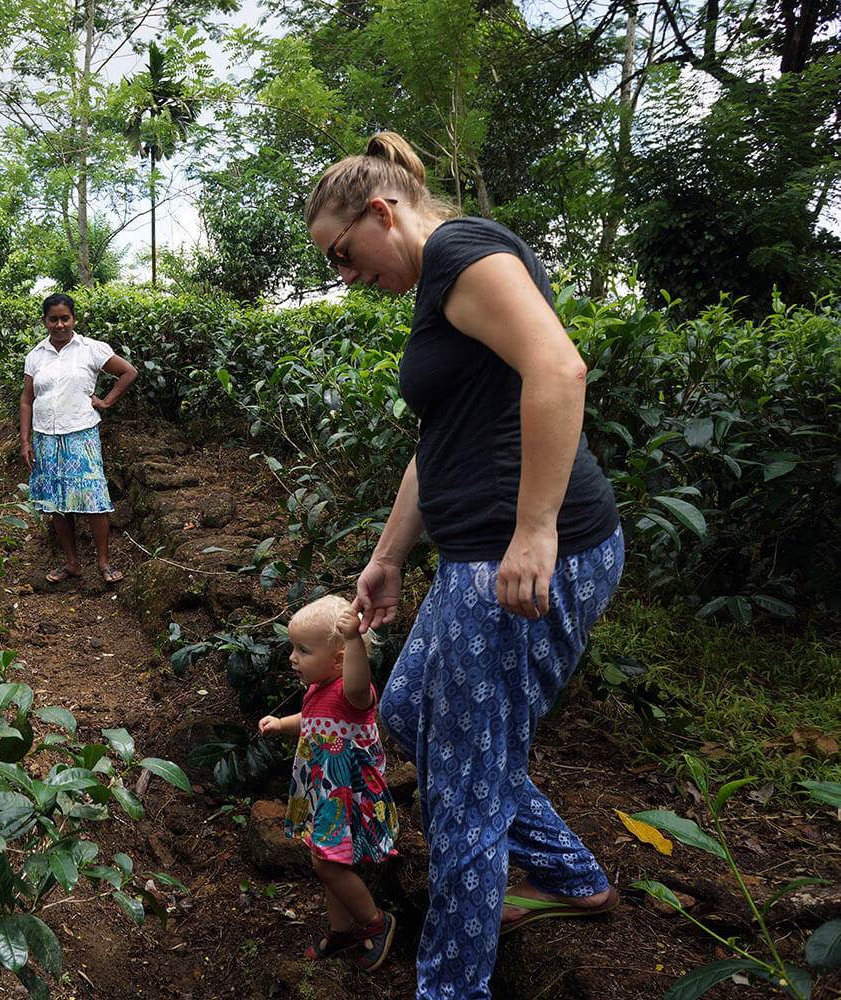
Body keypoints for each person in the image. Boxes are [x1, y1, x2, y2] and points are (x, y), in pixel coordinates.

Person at [303, 132, 625, 999]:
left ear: (383, 210)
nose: (346, 274)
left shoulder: (463, 252)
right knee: (405, 710)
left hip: (513, 562)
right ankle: (566, 872)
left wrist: (535, 531)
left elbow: (558, 367)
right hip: (469, 560)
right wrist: (386, 557)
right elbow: (437, 439)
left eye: (343, 254)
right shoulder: (436, 282)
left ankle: (452, 984)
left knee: (464, 788)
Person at [259, 594, 399, 972]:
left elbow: (357, 682)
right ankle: (342, 929)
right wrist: (280, 724)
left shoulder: (353, 694)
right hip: (324, 789)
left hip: (348, 794)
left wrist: (353, 640)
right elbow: (311, 719)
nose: (292, 658)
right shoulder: (320, 688)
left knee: (326, 863)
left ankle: (374, 920)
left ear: (339, 660)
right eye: (294, 648)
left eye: (303, 650)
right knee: (326, 858)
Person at [19, 292, 137, 584]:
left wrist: (106, 402)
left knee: (94, 499)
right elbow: (26, 400)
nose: (59, 324)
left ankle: (104, 563)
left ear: (73, 319)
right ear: (45, 321)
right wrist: (25, 441)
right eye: (53, 319)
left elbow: (128, 372)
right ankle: (72, 563)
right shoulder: (35, 356)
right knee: (57, 501)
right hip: (46, 437)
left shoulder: (91, 349)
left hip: (81, 434)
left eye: (65, 318)